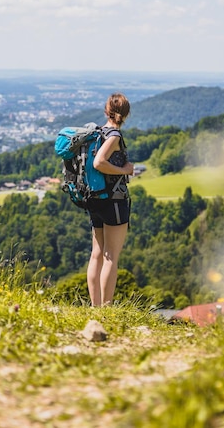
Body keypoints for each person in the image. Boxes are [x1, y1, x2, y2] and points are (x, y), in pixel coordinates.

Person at [86, 93, 134, 306]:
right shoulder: (113, 135)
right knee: (110, 256)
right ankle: (106, 309)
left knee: (96, 254)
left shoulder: (98, 132)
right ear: (126, 114)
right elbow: (98, 163)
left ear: (106, 110)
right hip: (113, 200)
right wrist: (124, 170)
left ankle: (95, 308)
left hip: (94, 198)